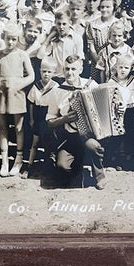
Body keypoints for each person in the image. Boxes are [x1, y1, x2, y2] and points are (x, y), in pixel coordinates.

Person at [45, 55, 105, 189]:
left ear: (81, 69)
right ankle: (78, 168)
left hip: (89, 135)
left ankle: (99, 176)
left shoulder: (91, 85)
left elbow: (105, 106)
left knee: (95, 148)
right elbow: (49, 121)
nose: (69, 72)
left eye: (73, 69)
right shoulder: (57, 91)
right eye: (67, 69)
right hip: (69, 136)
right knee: (62, 166)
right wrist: (64, 119)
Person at [0, 24, 35, 177]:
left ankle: (18, 159)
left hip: (17, 92)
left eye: (14, 39)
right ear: (3, 38)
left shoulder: (23, 55)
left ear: (18, 39)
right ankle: (4, 160)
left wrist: (19, 84)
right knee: (2, 126)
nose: (10, 42)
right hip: (2, 91)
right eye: (8, 39)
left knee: (18, 127)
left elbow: (31, 76)